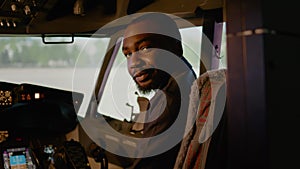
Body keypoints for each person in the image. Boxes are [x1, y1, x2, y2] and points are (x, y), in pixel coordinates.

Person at [121, 12, 197, 169]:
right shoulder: (187, 78)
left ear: (176, 48)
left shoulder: (168, 100)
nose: (133, 63)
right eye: (128, 54)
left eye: (145, 48)